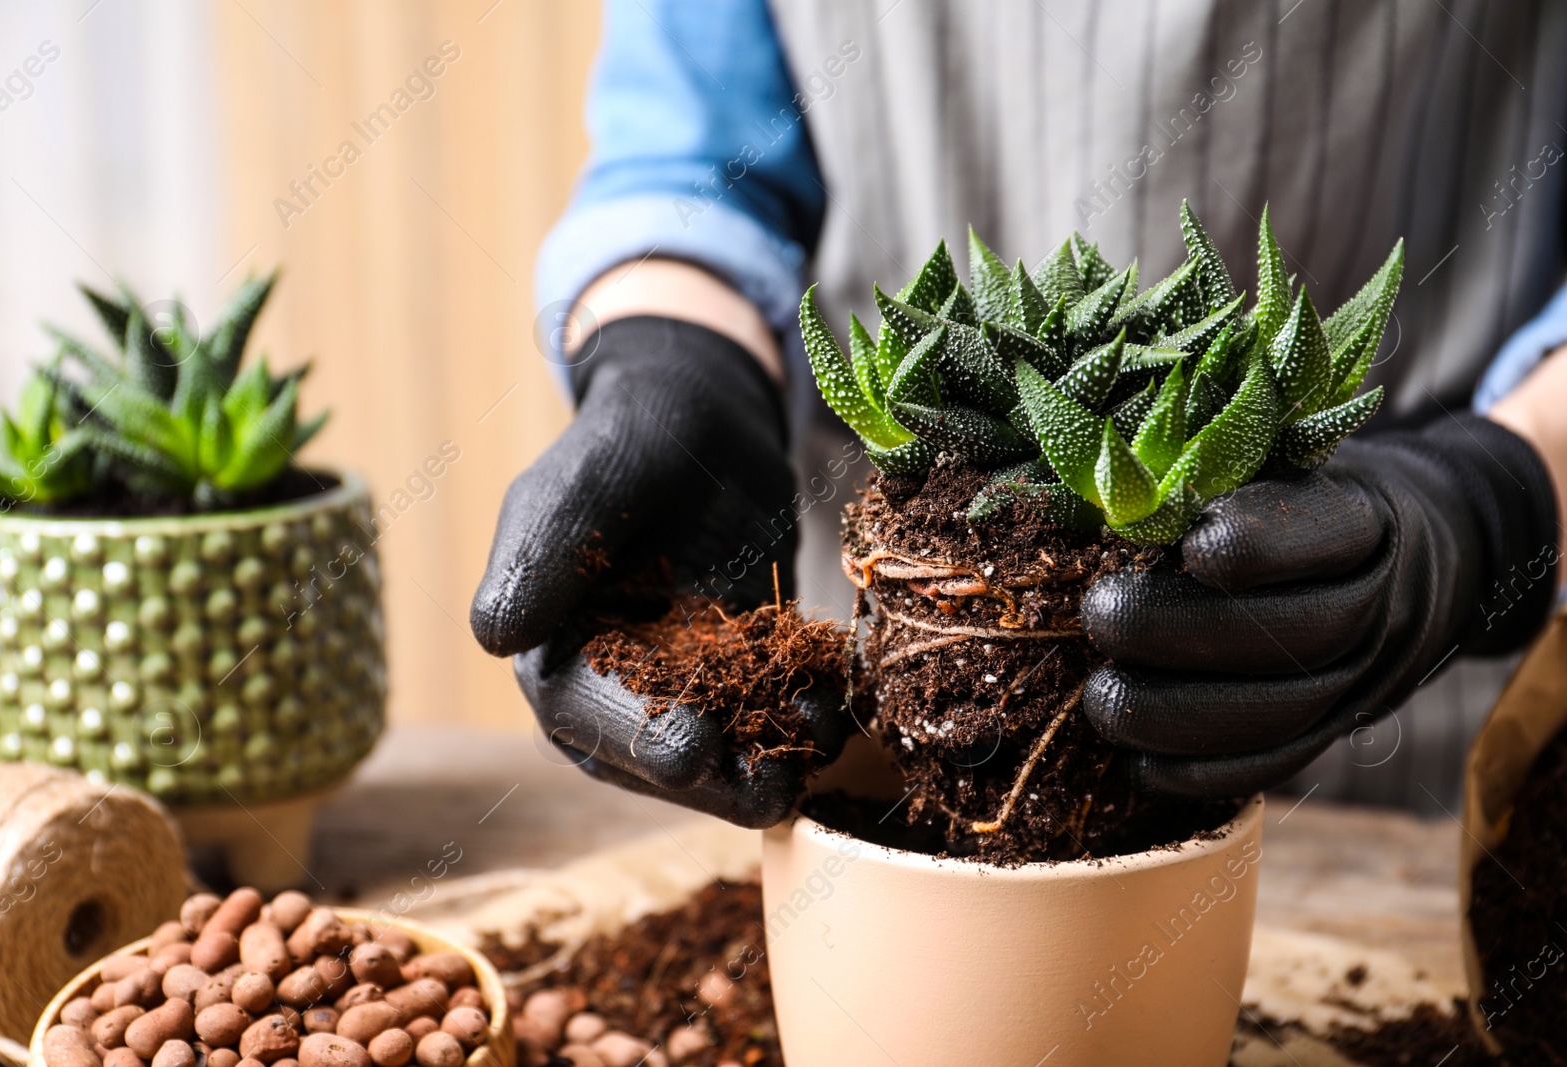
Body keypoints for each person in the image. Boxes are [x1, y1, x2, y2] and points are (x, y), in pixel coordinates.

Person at [471, 0, 1567, 825]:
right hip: (887, 699)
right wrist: (668, 356)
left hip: (1417, 731)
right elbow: (698, 153)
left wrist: (1496, 495)